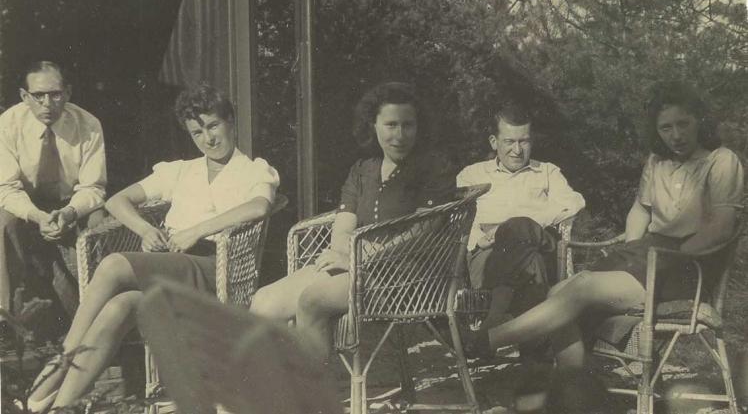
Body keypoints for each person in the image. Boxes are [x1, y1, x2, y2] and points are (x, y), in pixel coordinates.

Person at [25, 84, 280, 410]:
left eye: (213, 126)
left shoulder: (253, 169)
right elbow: (118, 201)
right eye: (197, 132)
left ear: (231, 121)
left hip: (213, 270)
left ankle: (58, 362)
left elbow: (258, 207)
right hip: (171, 265)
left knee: (115, 265)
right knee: (120, 307)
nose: (208, 139)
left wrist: (194, 231)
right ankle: (55, 407)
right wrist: (145, 229)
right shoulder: (181, 171)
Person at [465, 80, 744, 369]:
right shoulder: (657, 161)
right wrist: (633, 250)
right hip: (646, 254)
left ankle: (489, 339)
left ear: (699, 120)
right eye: (666, 128)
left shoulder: (720, 161)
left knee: (582, 287)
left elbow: (721, 228)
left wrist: (664, 259)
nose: (676, 135)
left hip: (687, 267)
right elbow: (640, 210)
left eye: (683, 124)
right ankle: (574, 385)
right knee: (557, 292)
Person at [250, 82, 455, 361]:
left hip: (407, 278)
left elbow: (423, 230)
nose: (400, 135)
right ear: (374, 125)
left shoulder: (433, 166)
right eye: (391, 125)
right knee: (264, 302)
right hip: (357, 269)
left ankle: (314, 399)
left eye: (408, 125)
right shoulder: (362, 170)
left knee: (313, 300)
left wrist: (361, 259)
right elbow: (344, 225)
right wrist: (340, 255)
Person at [457, 102, 584, 360]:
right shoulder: (471, 175)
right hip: (488, 257)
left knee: (521, 229)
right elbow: (456, 220)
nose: (517, 150)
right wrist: (480, 240)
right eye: (509, 142)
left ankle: (491, 325)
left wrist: (520, 225)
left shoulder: (546, 172)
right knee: (531, 262)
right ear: (494, 142)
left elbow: (574, 202)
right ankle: (533, 355)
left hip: (538, 242)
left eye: (524, 141)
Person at [0, 61, 107, 336]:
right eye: (38, 96)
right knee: (3, 223)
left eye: (55, 94)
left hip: (71, 203)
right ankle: (14, 325)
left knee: (99, 223)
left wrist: (69, 213)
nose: (47, 103)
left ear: (68, 93)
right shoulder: (7, 125)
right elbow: (6, 188)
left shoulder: (89, 125)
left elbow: (93, 187)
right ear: (25, 97)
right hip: (25, 204)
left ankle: (97, 324)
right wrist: (37, 216)